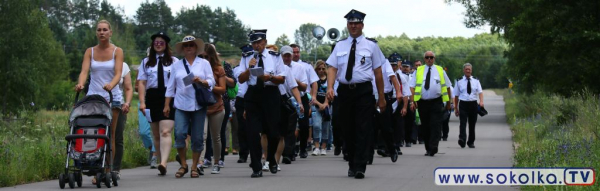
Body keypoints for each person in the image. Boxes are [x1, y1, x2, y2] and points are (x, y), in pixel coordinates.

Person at [326, 9, 387, 179]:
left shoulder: (371, 46)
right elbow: (332, 67)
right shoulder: (340, 45)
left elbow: (378, 73)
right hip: (344, 91)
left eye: (357, 23)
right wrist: (330, 87)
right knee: (347, 129)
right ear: (347, 25)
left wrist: (381, 97)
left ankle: (360, 165)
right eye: (351, 23)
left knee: (363, 128)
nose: (354, 26)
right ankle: (352, 162)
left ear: (362, 25)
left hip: (363, 91)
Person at [74, 20, 124, 184]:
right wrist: (81, 84)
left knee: (109, 134)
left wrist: (111, 84)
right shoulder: (90, 51)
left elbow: (118, 73)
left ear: (110, 33)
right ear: (96, 33)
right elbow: (84, 71)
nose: (102, 32)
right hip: (94, 97)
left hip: (111, 96)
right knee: (93, 131)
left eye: (105, 30)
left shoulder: (117, 51)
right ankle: (93, 164)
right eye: (99, 30)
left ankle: (107, 169)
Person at [238, 29, 287, 178]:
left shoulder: (275, 57)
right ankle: (256, 167)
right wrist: (249, 68)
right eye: (254, 43)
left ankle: (271, 158)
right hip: (253, 95)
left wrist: (270, 77)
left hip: (270, 94)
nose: (256, 45)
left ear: (265, 42)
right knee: (253, 133)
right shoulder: (247, 57)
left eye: (259, 42)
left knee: (273, 133)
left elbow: (282, 78)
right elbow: (240, 79)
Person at [165, 35, 214, 178]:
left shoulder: (204, 63)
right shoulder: (176, 65)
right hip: (181, 104)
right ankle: (183, 165)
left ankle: (194, 166)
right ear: (183, 49)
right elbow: (170, 86)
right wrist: (167, 104)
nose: (188, 48)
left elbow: (212, 81)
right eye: (186, 46)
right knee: (180, 134)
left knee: (198, 138)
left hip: (198, 104)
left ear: (196, 48)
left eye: (191, 45)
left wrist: (203, 81)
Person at [136, 32, 178, 175]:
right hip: (152, 97)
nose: (158, 44)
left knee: (165, 131)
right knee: (156, 134)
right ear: (152, 45)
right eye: (156, 42)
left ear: (166, 45)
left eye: (161, 42)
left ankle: (164, 162)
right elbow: (142, 82)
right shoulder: (146, 62)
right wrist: (142, 102)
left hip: (169, 96)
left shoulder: (174, 61)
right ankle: (161, 162)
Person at [409, 51, 453, 157]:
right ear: (424, 59)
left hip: (436, 102)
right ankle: (428, 148)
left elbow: (447, 87)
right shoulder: (418, 70)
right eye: (427, 57)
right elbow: (412, 87)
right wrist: (412, 101)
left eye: (431, 57)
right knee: (425, 126)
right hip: (422, 102)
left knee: (435, 125)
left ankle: (434, 146)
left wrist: (449, 102)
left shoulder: (440, 70)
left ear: (434, 58)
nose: (429, 59)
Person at [276, 45, 305, 170]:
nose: (287, 58)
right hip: (274, 101)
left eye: (289, 55)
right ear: (280, 56)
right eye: (285, 56)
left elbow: (295, 87)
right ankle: (272, 154)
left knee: (289, 129)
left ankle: (288, 154)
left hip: (289, 101)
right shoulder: (274, 68)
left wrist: (300, 103)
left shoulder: (296, 68)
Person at [369, 56, 402, 163]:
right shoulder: (363, 60)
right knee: (369, 128)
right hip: (368, 97)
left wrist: (398, 92)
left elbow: (393, 77)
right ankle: (368, 156)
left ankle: (392, 150)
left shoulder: (384, 62)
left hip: (384, 96)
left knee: (386, 127)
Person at [290, 44, 319, 159]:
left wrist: (314, 96)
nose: (296, 54)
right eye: (293, 52)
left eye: (297, 52)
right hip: (289, 98)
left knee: (304, 124)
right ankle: (291, 148)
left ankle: (303, 148)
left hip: (303, 97)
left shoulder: (306, 66)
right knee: (290, 124)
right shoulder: (284, 65)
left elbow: (314, 82)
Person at [202, 43, 227, 174]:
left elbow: (223, 89)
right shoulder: (197, 68)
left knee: (216, 137)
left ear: (211, 56)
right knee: (202, 136)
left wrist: (207, 85)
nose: (203, 59)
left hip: (217, 107)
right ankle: (199, 163)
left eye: (206, 56)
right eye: (201, 56)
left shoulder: (218, 69)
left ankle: (216, 162)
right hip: (201, 107)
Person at [454, 63, 483, 148]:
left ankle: (471, 142)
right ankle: (462, 139)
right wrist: (456, 108)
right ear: (463, 70)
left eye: (469, 69)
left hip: (473, 104)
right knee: (462, 123)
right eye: (466, 69)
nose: (467, 71)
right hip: (463, 104)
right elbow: (456, 96)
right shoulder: (459, 81)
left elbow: (480, 92)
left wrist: (481, 101)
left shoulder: (476, 80)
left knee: (472, 124)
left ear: (471, 70)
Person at [113, 62, 133, 179]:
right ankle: (99, 167)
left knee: (117, 137)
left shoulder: (123, 65)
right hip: (100, 103)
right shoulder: (98, 62)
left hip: (118, 104)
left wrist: (127, 103)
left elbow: (129, 88)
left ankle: (115, 169)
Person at [234, 45, 252, 164]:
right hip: (241, 99)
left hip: (253, 98)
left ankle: (256, 152)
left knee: (254, 127)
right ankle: (243, 153)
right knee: (242, 128)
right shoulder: (237, 69)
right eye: (245, 54)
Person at [311, 60, 331, 156]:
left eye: (323, 68)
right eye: (319, 69)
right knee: (316, 126)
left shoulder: (329, 80)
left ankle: (324, 147)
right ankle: (316, 147)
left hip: (327, 106)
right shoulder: (314, 80)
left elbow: (330, 92)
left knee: (326, 127)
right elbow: (312, 95)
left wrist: (326, 103)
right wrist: (319, 104)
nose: (321, 70)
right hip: (316, 106)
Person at [135, 80, 156, 167]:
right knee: (143, 132)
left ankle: (155, 155)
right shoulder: (141, 69)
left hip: (158, 101)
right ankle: (152, 149)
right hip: (144, 102)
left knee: (158, 131)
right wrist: (142, 87)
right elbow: (136, 87)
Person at [395, 59, 412, 149]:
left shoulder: (413, 76)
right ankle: (400, 141)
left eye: (407, 67)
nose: (405, 68)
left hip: (409, 100)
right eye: (404, 66)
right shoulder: (399, 76)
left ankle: (408, 140)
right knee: (400, 123)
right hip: (400, 100)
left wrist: (413, 102)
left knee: (409, 122)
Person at [411, 60, 424, 145]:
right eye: (416, 65)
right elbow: (411, 88)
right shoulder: (412, 75)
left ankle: (421, 138)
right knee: (414, 120)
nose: (418, 66)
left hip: (423, 99)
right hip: (415, 100)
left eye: (419, 65)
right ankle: (413, 138)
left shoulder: (424, 73)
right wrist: (412, 101)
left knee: (422, 120)